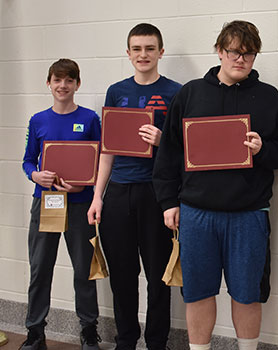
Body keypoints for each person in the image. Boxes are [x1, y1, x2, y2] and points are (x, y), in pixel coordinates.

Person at [152, 20, 278, 350]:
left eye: (248, 54)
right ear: (219, 51)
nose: (241, 59)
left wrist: (263, 149)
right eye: (234, 51)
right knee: (198, 291)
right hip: (196, 214)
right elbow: (168, 155)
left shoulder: (268, 97)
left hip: (248, 215)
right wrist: (168, 203)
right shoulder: (190, 94)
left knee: (247, 294)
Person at [87, 23, 182, 350]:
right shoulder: (117, 91)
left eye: (150, 48)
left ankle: (157, 343)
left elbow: (188, 149)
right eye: (137, 49)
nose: (144, 54)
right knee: (123, 278)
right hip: (119, 194)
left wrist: (163, 140)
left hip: (157, 194)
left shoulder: (176, 92)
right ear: (128, 53)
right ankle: (125, 341)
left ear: (160, 52)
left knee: (159, 278)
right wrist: (98, 196)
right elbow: (107, 150)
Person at [21, 59, 102, 350]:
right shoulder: (38, 120)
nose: (62, 86)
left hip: (80, 204)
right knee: (40, 268)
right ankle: (35, 331)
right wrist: (35, 175)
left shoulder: (91, 119)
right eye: (57, 80)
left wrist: (86, 186)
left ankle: (89, 330)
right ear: (49, 84)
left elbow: (100, 162)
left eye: (69, 81)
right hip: (46, 203)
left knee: (83, 270)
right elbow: (27, 160)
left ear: (77, 84)